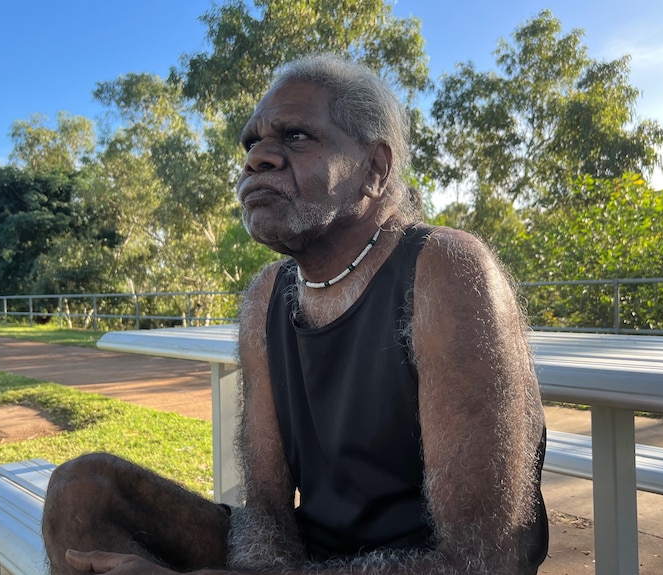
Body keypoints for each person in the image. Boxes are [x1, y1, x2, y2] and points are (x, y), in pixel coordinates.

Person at [41, 53, 548, 575]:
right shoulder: (266, 295)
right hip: (313, 558)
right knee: (83, 491)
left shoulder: (446, 269)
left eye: (296, 137)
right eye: (251, 143)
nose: (257, 158)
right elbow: (267, 510)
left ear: (375, 168)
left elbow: (481, 560)